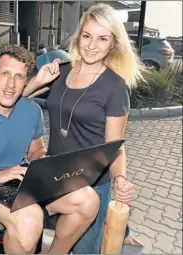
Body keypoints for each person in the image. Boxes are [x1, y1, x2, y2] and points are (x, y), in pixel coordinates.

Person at [0, 45, 100, 254]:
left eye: (19, 76)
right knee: (29, 221)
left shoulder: (31, 111)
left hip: (19, 181)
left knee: (87, 200)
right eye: (5, 73)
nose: (11, 84)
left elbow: (35, 149)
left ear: (26, 80)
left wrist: (41, 159)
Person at [23, 3, 145, 253]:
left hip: (90, 184)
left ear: (112, 43)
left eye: (102, 38)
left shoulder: (114, 87)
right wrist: (37, 80)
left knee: (81, 250)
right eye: (87, 36)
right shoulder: (61, 71)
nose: (91, 45)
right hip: (53, 175)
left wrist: (120, 180)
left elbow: (115, 146)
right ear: (79, 37)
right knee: (28, 230)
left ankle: (122, 235)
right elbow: (15, 101)